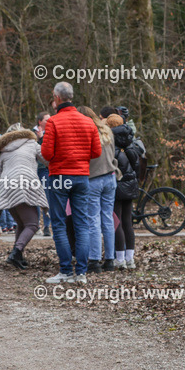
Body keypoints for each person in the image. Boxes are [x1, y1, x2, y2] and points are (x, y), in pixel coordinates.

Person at [40, 81, 101, 284]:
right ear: (71, 97)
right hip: (82, 177)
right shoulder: (88, 122)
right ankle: (81, 272)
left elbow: (47, 153)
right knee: (82, 223)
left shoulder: (53, 122)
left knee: (58, 224)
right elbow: (96, 152)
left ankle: (66, 270)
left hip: (59, 177)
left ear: (57, 98)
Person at [0, 123, 47, 269]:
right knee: (33, 224)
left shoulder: (3, 150)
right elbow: (46, 159)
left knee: (22, 224)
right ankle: (15, 253)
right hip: (24, 184)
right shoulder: (31, 143)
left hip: (6, 188)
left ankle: (18, 254)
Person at [77, 106, 117, 273]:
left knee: (93, 220)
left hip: (93, 179)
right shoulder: (106, 130)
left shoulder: (86, 133)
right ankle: (109, 259)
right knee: (107, 219)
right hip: (110, 176)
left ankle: (94, 260)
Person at [107, 114, 139, 269]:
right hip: (131, 185)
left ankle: (119, 259)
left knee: (116, 222)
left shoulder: (111, 143)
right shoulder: (131, 142)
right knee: (128, 223)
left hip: (117, 186)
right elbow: (137, 164)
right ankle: (130, 259)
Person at [34, 111, 52, 236]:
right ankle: (35, 225)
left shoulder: (51, 132)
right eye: (46, 120)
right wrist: (39, 139)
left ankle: (46, 225)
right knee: (34, 198)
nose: (49, 122)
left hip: (46, 170)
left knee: (46, 198)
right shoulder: (31, 134)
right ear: (40, 122)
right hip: (34, 170)